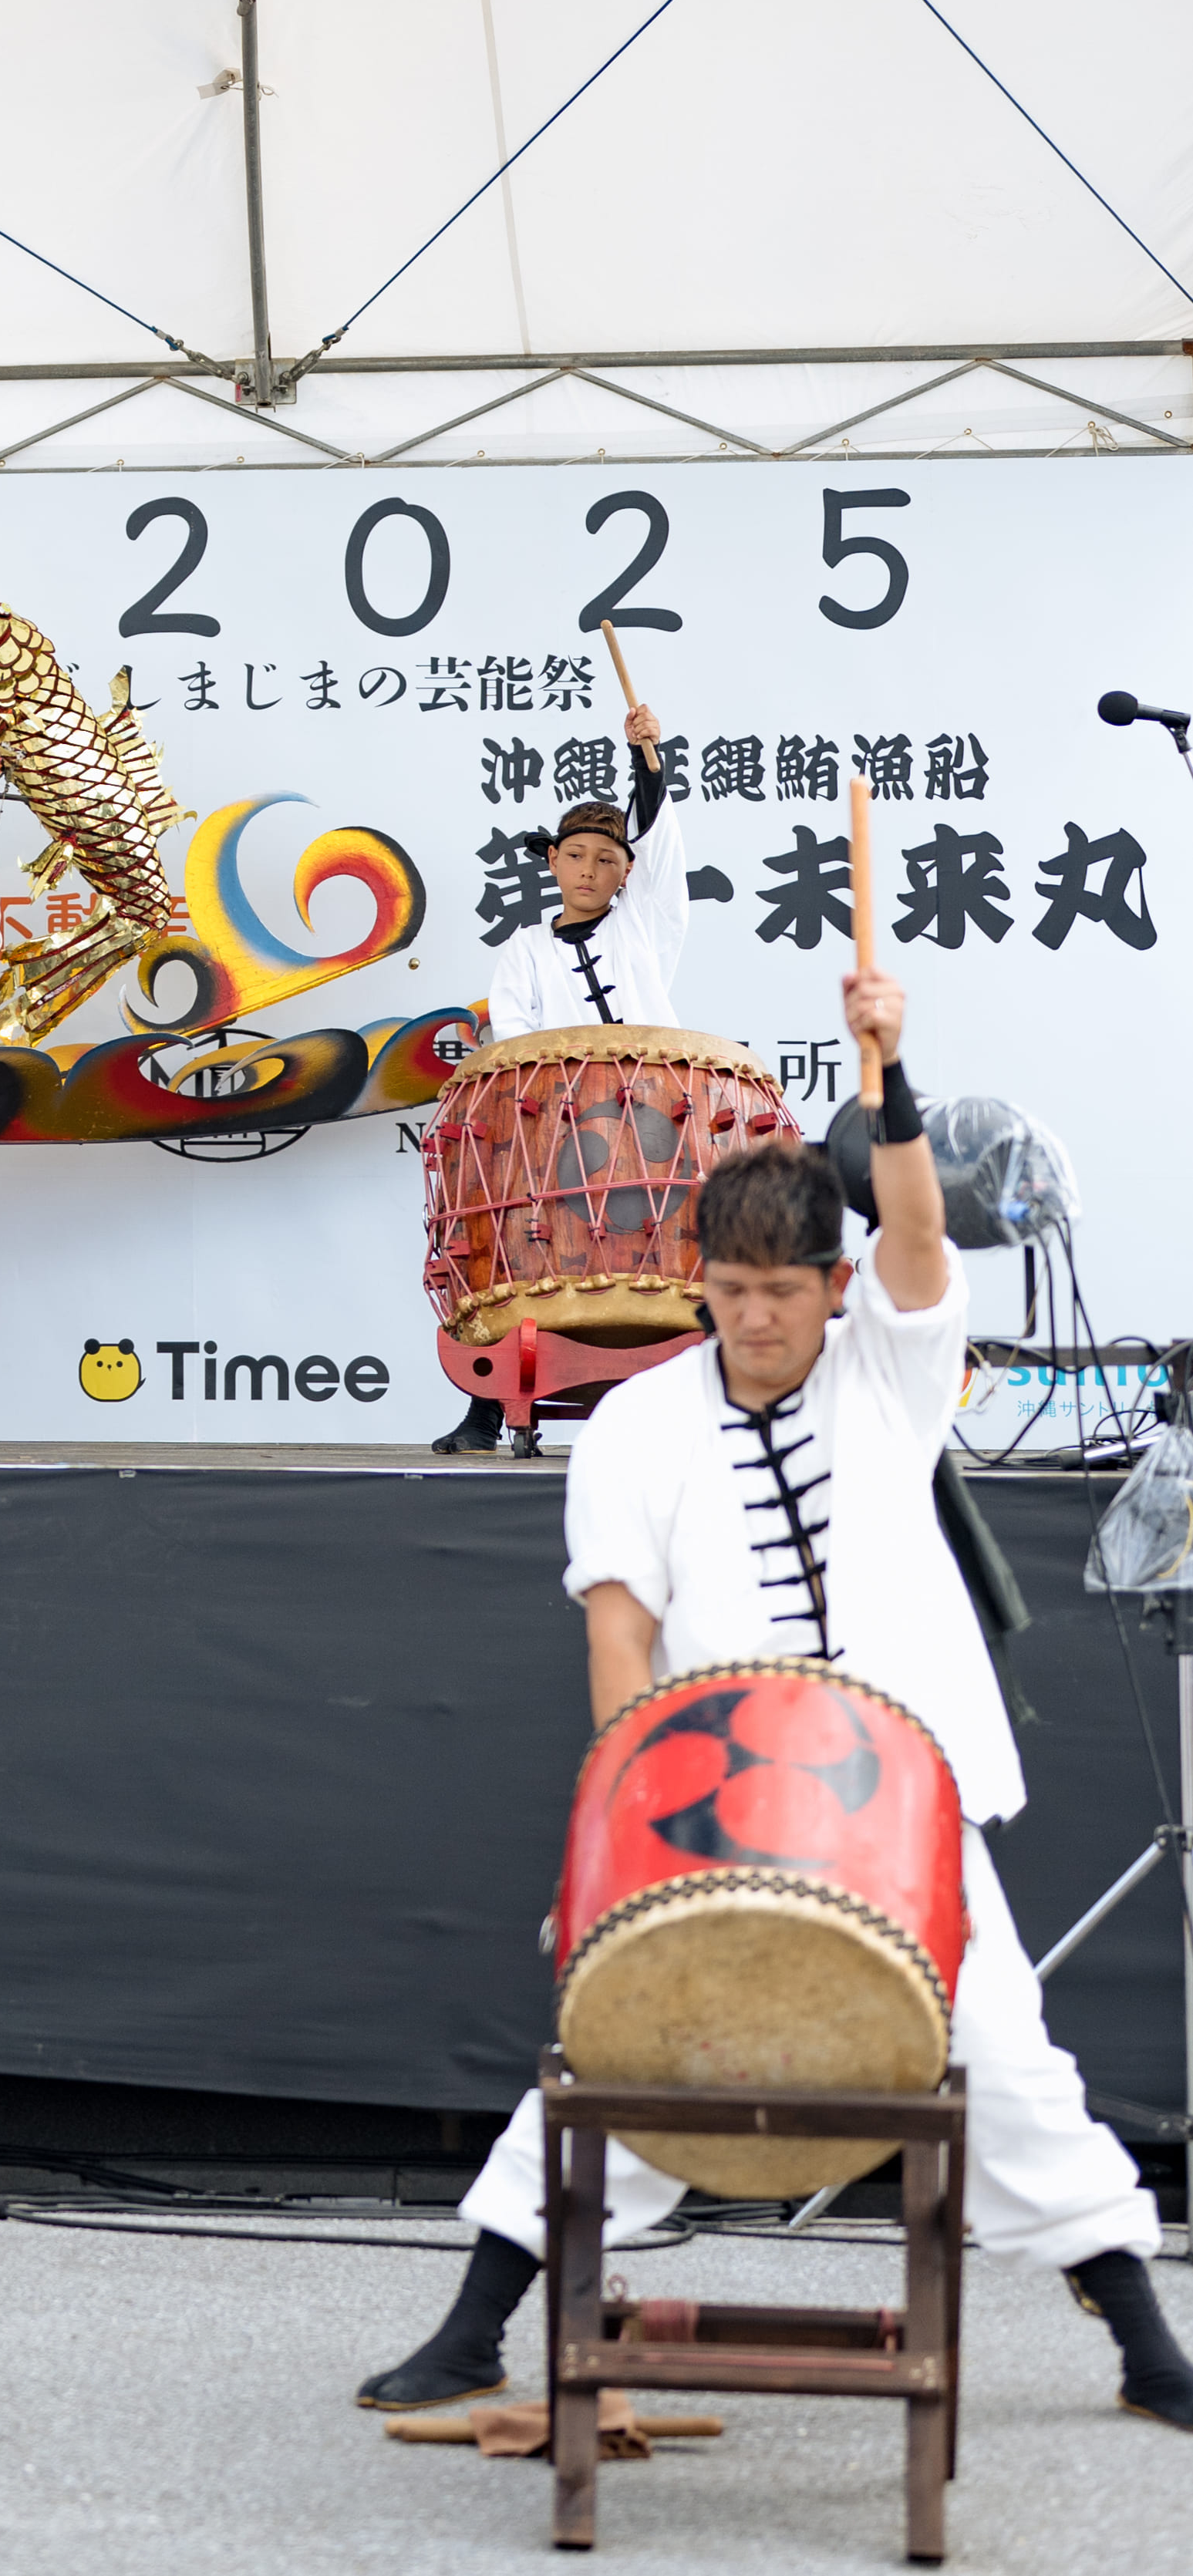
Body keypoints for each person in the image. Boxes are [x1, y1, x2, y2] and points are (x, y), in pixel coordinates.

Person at [360, 960, 1193, 2434]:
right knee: (624, 2049)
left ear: (831, 1285)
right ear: (702, 1282)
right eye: (729, 1292)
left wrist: (885, 1074)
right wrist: (608, 1852)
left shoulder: (889, 1372)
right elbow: (620, 1639)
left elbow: (923, 1229)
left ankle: (1141, 2342)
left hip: (904, 1792)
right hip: (708, 1791)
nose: (751, 1320)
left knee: (1003, 2054)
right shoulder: (633, 1425)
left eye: (779, 1294)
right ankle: (477, 2322)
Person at [433, 699, 687, 1458]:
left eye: (605, 859)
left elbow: (661, 842)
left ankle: (681, 1395)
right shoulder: (522, 949)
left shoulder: (645, 921)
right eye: (575, 855)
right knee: (504, 1235)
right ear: (551, 861)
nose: (588, 869)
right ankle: (487, 1403)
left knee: (659, 1247)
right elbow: (511, 1034)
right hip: (550, 1127)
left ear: (625, 874)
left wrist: (648, 760)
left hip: (646, 1121)